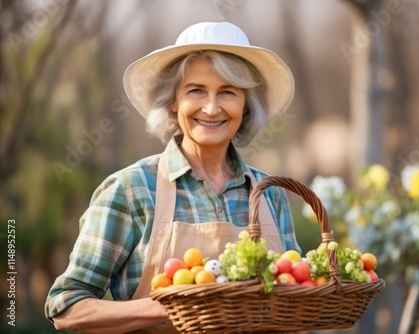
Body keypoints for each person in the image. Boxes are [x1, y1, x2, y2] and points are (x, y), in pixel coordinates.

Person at [45, 21, 300, 333]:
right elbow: (67, 308)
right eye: (196, 90)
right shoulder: (131, 190)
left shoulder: (269, 193)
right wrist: (170, 305)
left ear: (245, 105)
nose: (211, 107)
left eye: (228, 92)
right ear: (173, 100)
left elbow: (294, 301)